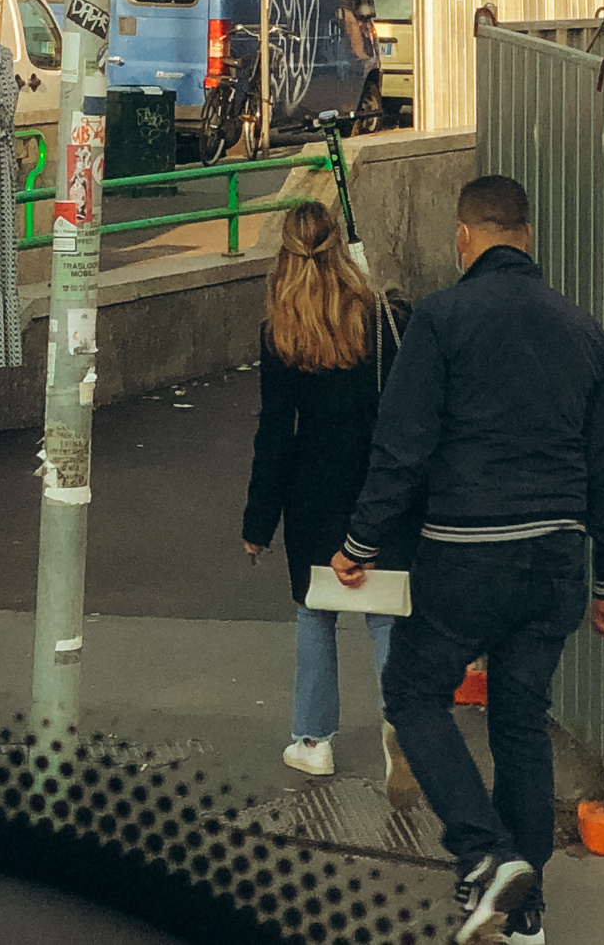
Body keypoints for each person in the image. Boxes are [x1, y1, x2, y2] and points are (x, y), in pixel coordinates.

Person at [332, 173, 604, 945]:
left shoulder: (441, 319)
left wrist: (360, 543)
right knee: (521, 723)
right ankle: (525, 910)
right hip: (558, 559)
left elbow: (401, 448)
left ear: (464, 237)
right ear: (527, 236)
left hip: (468, 552)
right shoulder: (586, 331)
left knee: (413, 689)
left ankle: (485, 852)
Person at [239, 202, 417, 798]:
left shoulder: (280, 333)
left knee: (316, 613)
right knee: (386, 611)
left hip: (312, 492)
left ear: (285, 257)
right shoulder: (378, 320)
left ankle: (314, 741)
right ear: (340, 248)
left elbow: (275, 433)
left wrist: (259, 521)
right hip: (377, 487)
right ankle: (403, 726)